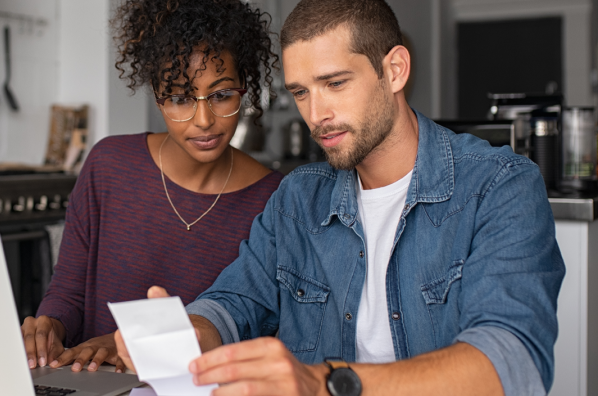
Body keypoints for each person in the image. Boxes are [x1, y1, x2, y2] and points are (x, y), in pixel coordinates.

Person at [115, 0, 565, 395]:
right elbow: (236, 302)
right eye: (301, 92)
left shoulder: (500, 187)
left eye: (335, 84)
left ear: (394, 70)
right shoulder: (298, 197)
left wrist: (325, 384)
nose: (317, 115)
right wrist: (191, 333)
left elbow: (511, 362)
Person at [21, 0, 283, 374]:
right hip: (93, 383)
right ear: (157, 95)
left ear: (245, 86)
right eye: (179, 98)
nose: (204, 120)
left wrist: (126, 346)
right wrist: (50, 326)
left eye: (222, 95)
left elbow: (253, 328)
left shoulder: (273, 199)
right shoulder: (108, 165)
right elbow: (69, 293)